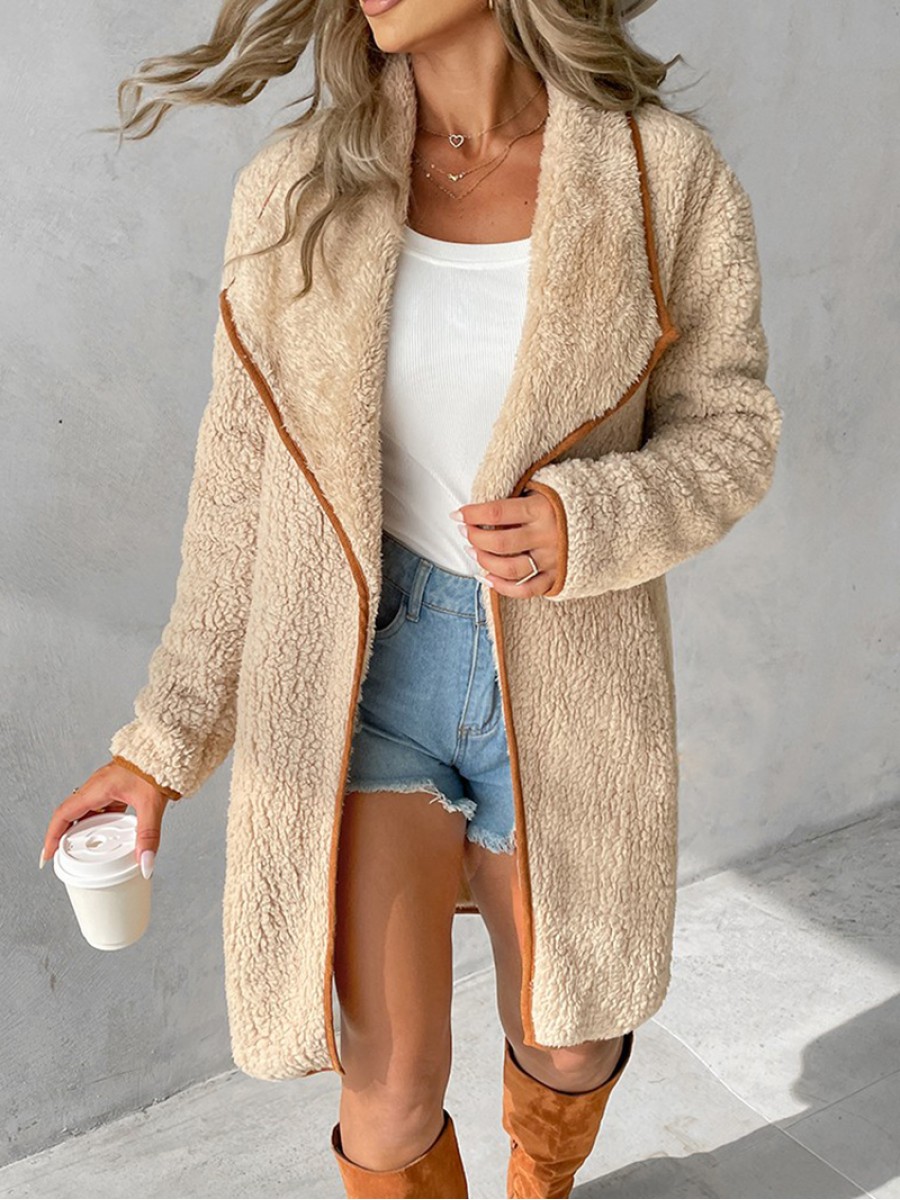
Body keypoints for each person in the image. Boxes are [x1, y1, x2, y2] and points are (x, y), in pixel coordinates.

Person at [40, 2, 782, 1196]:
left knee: (570, 1035)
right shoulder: (298, 194)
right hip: (372, 676)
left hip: (570, 673)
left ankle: (542, 1183)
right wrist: (158, 745)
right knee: (386, 1095)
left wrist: (589, 519)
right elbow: (238, 495)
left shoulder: (660, 174)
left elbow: (732, 430)